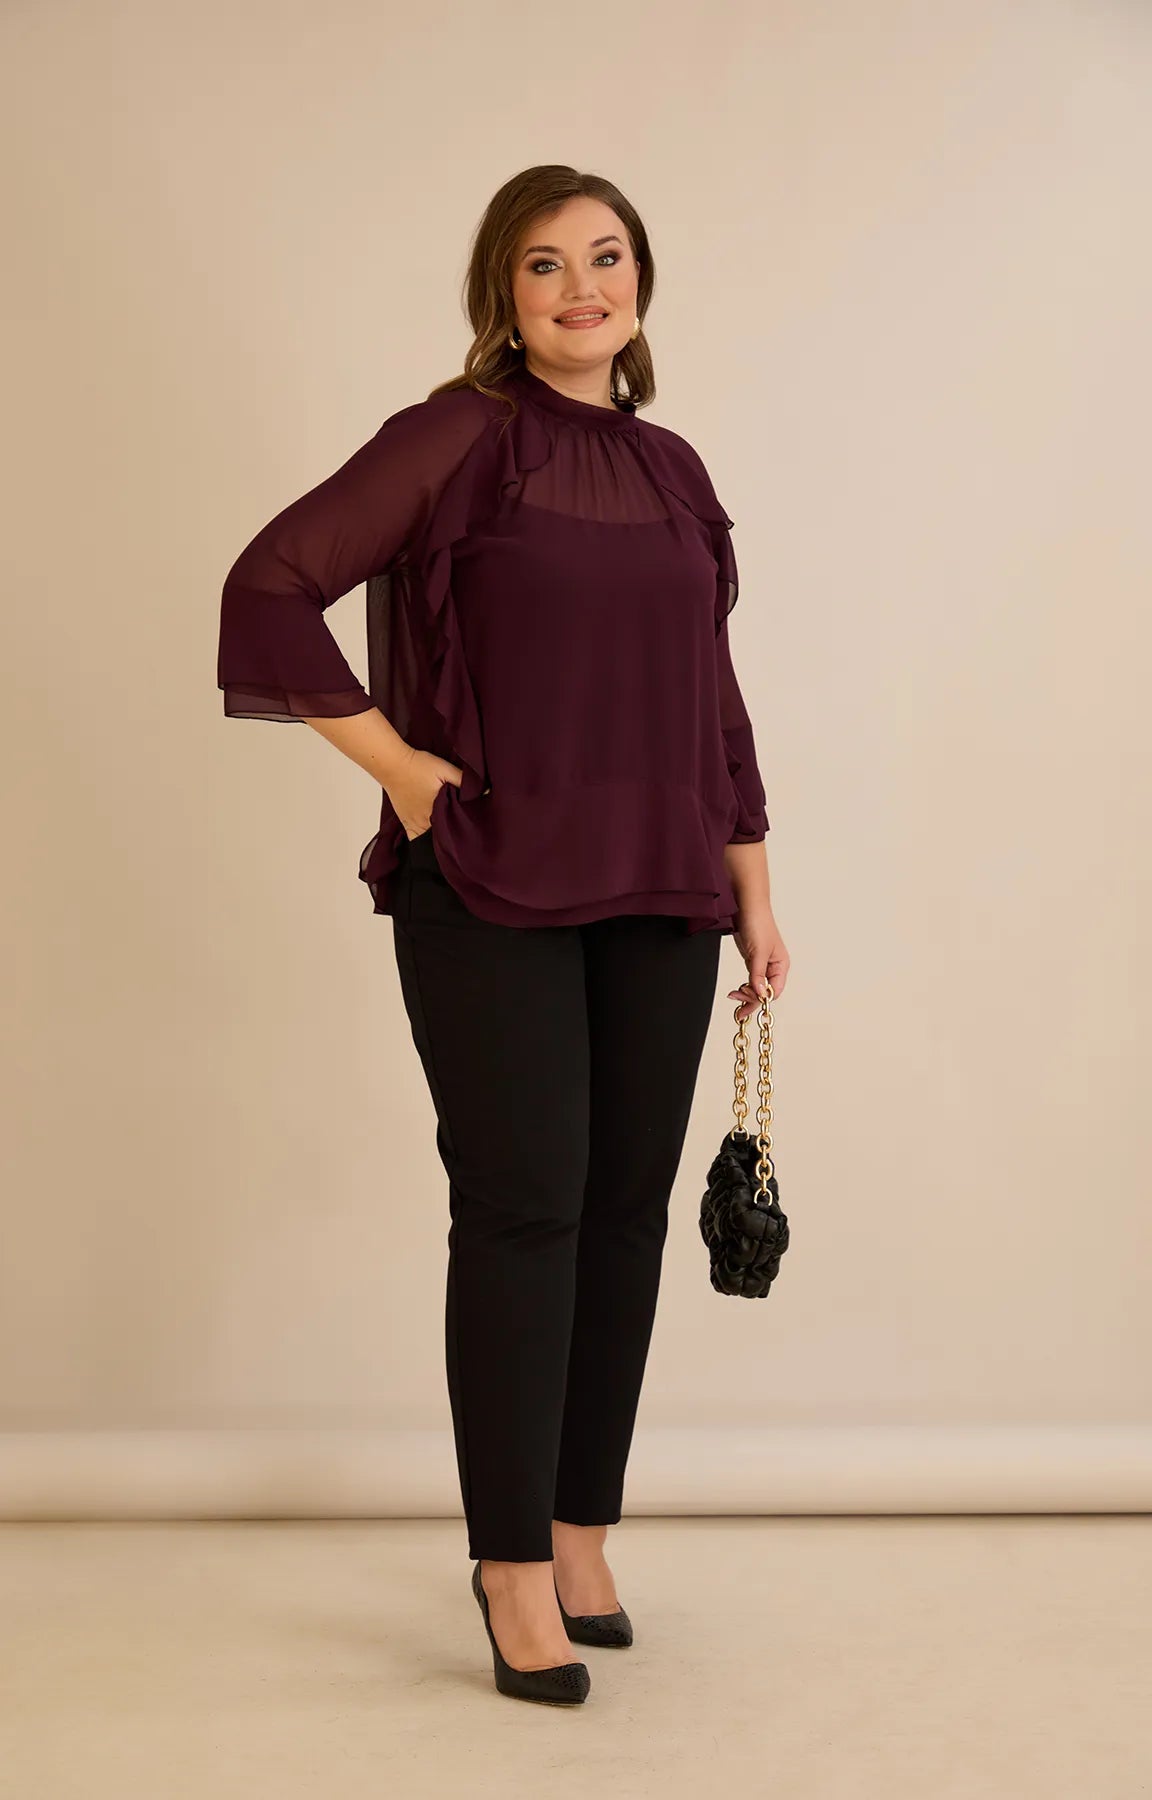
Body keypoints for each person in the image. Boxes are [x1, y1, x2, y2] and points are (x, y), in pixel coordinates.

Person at [216, 164, 790, 1706]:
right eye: (545, 264)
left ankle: (582, 1532)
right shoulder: (455, 439)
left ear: (642, 283)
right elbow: (269, 589)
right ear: (503, 295)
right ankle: (510, 1565)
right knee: (527, 1207)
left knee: (623, 1215)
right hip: (486, 877)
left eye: (606, 257)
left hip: (664, 884)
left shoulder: (673, 470)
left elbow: (711, 700)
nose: (580, 287)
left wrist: (751, 883)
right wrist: (404, 773)